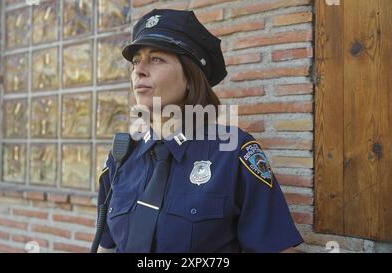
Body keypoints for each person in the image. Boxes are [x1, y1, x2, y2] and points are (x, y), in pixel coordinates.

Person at [95, 9, 303, 253]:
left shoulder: (233, 152)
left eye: (156, 59)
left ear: (191, 78)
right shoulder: (122, 156)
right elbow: (107, 247)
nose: (138, 71)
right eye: (136, 61)